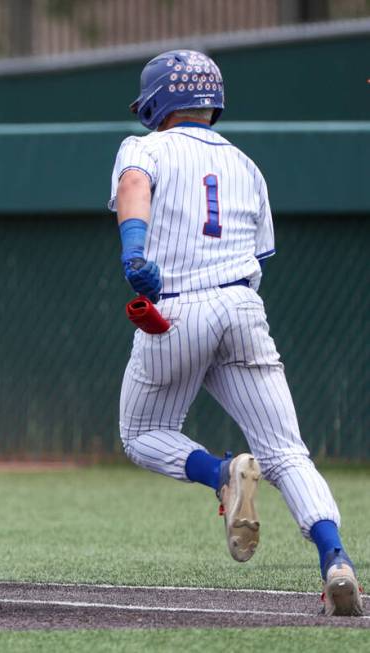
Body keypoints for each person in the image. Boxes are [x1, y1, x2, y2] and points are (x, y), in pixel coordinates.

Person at [109, 50, 363, 616]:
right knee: (286, 453)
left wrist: (133, 250)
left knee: (143, 431)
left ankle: (221, 472)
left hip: (176, 310)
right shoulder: (248, 165)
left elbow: (132, 186)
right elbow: (258, 252)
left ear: (156, 103)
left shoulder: (144, 147)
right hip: (243, 306)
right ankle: (336, 559)